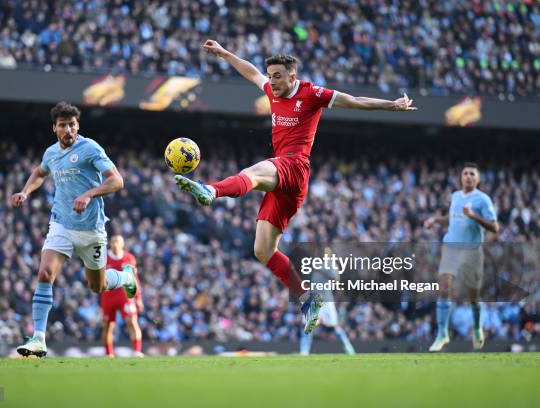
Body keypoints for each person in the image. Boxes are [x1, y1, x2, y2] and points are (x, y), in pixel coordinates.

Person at [175, 39, 417, 334]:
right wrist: (225, 54)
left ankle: (211, 190)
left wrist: (392, 105)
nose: (272, 82)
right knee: (263, 250)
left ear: (292, 76)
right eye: (271, 76)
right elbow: (252, 73)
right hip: (284, 186)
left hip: (295, 167)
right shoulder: (272, 90)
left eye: (277, 76)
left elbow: (354, 101)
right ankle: (308, 299)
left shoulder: (312, 93)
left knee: (256, 171)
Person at [11, 102, 136, 357]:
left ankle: (125, 277)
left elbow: (117, 180)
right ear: (54, 128)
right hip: (61, 224)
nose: (68, 129)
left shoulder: (90, 148)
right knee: (45, 273)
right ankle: (38, 339)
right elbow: (39, 172)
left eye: (72, 124)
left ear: (78, 125)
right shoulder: (51, 153)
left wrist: (89, 194)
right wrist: (25, 191)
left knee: (97, 286)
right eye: (63, 125)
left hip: (91, 228)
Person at [425, 163, 499, 351]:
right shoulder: (456, 196)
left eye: (472, 174)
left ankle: (476, 327)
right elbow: (453, 218)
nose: (468, 176)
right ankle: (442, 334)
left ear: (478, 179)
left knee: (473, 296)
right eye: (465, 173)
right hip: (451, 247)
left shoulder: (483, 200)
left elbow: (494, 227)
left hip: (472, 251)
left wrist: (474, 216)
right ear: (461, 177)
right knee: (443, 286)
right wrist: (436, 220)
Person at [101, 235, 144, 357]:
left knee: (132, 322)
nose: (115, 244)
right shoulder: (104, 257)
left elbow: (134, 279)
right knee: (108, 326)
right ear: (110, 243)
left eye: (117, 241)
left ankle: (137, 351)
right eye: (113, 241)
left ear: (122, 244)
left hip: (124, 295)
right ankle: (109, 353)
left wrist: (138, 298)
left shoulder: (129, 258)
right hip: (108, 296)